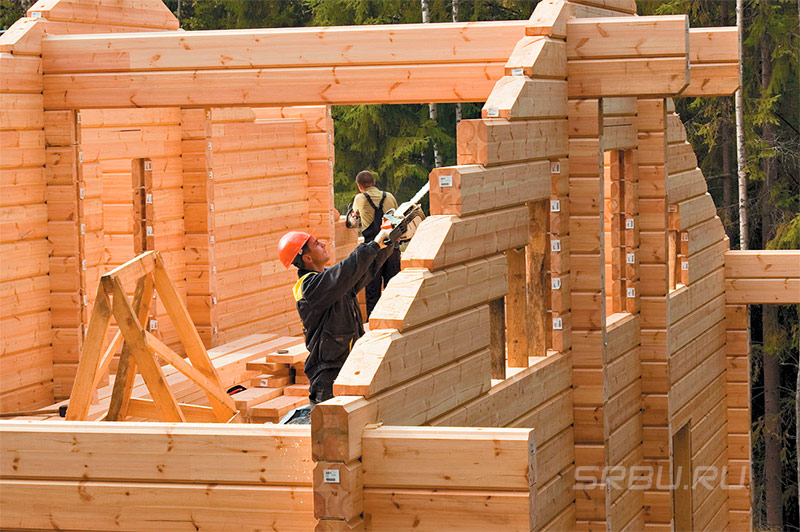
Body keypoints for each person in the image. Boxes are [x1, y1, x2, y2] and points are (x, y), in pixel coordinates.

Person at [278, 228, 395, 407]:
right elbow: (345, 271)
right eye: (316, 244)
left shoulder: (329, 281)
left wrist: (388, 244)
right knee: (330, 432)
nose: (323, 244)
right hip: (328, 375)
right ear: (307, 258)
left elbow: (364, 270)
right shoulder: (310, 287)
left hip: (349, 365)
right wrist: (373, 244)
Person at [350, 170, 402, 316]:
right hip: (392, 248)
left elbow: (354, 221)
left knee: (373, 292)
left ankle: (374, 324)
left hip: (372, 250)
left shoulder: (360, 198)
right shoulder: (389, 196)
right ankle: (395, 319)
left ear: (360, 186)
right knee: (393, 289)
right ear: (374, 183)